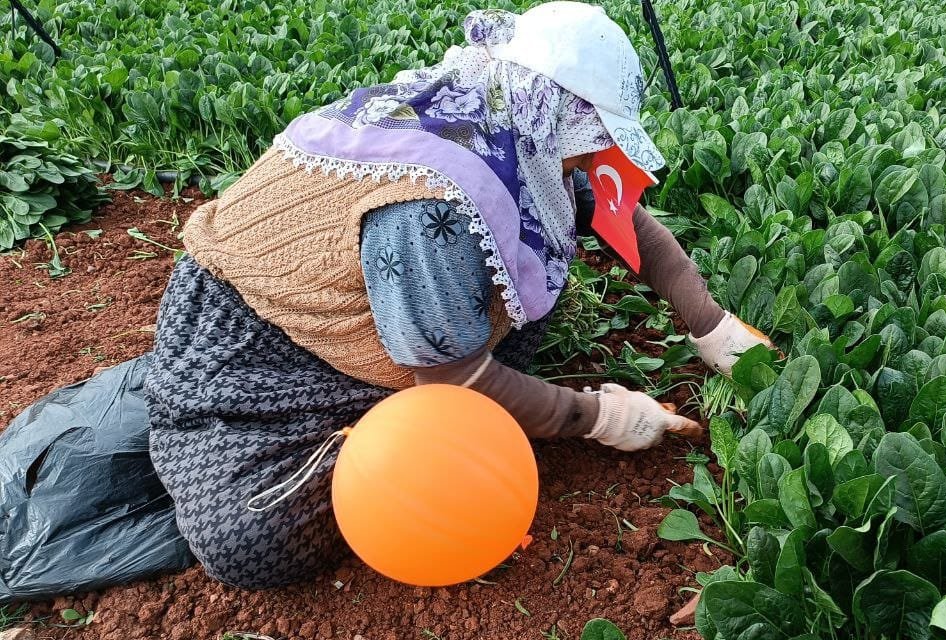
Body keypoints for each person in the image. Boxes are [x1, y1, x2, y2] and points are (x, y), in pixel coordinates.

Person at [144, 1, 773, 589]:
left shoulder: (514, 127)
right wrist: (598, 417)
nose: (590, 161)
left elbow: (620, 218)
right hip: (260, 345)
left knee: (513, 326)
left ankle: (410, 381)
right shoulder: (432, 205)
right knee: (254, 539)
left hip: (390, 312)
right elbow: (457, 380)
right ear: (556, 113)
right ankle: (295, 430)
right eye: (591, 142)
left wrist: (712, 326)